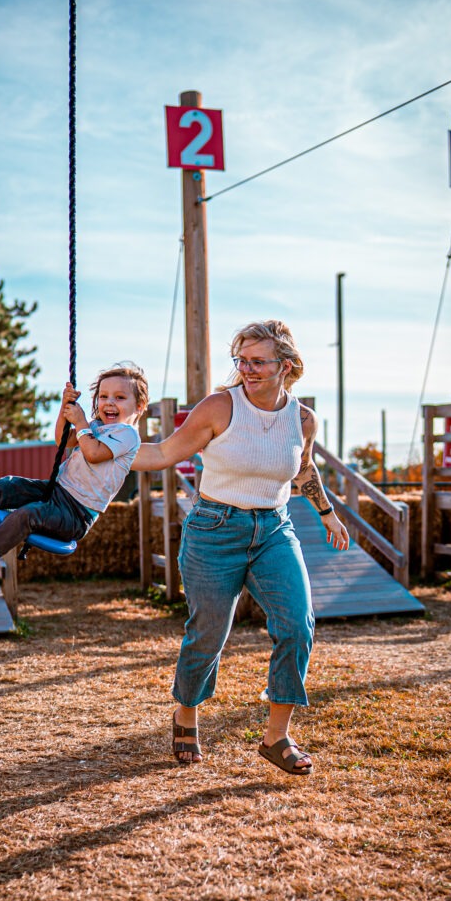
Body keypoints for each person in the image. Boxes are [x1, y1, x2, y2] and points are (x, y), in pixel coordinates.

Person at [132, 321, 349, 775]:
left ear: (284, 365)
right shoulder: (219, 407)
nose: (247, 369)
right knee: (208, 634)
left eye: (258, 361)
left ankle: (277, 737)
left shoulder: (302, 418)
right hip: (215, 528)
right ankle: (186, 711)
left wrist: (327, 511)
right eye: (242, 361)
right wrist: (101, 446)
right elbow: (164, 453)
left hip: (274, 528)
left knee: (297, 623)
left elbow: (303, 469)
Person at [0, 362, 148, 584]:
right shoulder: (96, 426)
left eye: (119, 397)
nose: (109, 403)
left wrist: (80, 422)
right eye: (103, 396)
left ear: (139, 406)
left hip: (76, 514)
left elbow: (94, 454)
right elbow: (62, 441)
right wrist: (64, 409)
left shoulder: (127, 434)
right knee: (6, 485)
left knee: (28, 514)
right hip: (56, 492)